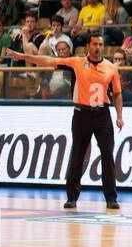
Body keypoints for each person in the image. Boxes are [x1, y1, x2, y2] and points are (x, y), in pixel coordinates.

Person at [8, 33, 125, 210]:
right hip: (81, 114)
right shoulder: (76, 62)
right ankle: (72, 197)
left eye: (100, 44)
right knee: (77, 155)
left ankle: (111, 198)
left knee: (107, 156)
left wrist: (119, 116)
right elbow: (48, 60)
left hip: (102, 114)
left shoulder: (111, 68)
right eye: (95, 44)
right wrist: (24, 57)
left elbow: (117, 93)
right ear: (88, 46)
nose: (98, 47)